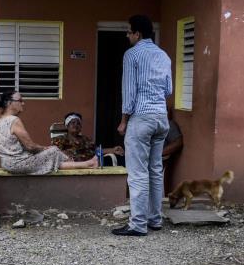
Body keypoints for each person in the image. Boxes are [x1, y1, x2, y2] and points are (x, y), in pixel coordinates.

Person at [113, 15, 172, 237]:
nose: (127, 36)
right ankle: (154, 219)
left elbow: (129, 91)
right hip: (161, 117)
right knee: (155, 171)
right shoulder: (163, 55)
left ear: (137, 34)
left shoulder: (132, 54)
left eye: (129, 32)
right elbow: (168, 90)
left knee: (137, 173)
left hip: (141, 117)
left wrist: (124, 120)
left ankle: (137, 224)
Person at [0, 91, 98, 174]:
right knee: (53, 150)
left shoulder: (1, 120)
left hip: (7, 163)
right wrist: (45, 149)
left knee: (53, 156)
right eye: (20, 100)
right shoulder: (13, 120)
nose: (23, 103)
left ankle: (88, 163)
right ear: (9, 103)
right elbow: (30, 146)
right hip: (17, 163)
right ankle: (88, 164)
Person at [53, 112, 124, 163]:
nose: (76, 125)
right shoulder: (60, 139)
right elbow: (56, 153)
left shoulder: (86, 139)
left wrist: (113, 150)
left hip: (90, 166)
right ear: (67, 126)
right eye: (73, 123)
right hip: (70, 166)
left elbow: (96, 151)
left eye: (78, 123)